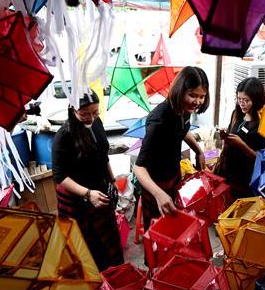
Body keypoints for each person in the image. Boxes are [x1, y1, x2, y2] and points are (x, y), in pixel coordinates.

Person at [52, 91, 123, 270]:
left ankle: (114, 274)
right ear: (73, 110)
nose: (91, 118)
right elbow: (60, 176)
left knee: (109, 240)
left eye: (95, 112)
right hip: (78, 199)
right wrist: (88, 194)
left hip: (99, 189)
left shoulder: (97, 123)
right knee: (90, 246)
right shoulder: (64, 136)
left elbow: (103, 155)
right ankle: (96, 283)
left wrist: (112, 179)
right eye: (85, 114)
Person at [134, 67, 209, 227]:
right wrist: (159, 194)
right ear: (180, 91)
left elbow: (182, 130)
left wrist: (198, 151)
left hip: (173, 176)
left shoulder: (184, 109)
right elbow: (139, 169)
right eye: (193, 95)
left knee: (174, 226)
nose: (197, 102)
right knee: (157, 232)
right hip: (155, 185)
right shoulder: (159, 121)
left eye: (202, 96)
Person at [215, 77, 265, 197]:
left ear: (256, 100)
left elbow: (262, 159)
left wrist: (242, 145)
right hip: (228, 173)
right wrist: (225, 134)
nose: (242, 103)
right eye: (239, 99)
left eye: (246, 100)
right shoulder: (236, 114)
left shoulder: (262, 124)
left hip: (245, 180)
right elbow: (232, 130)